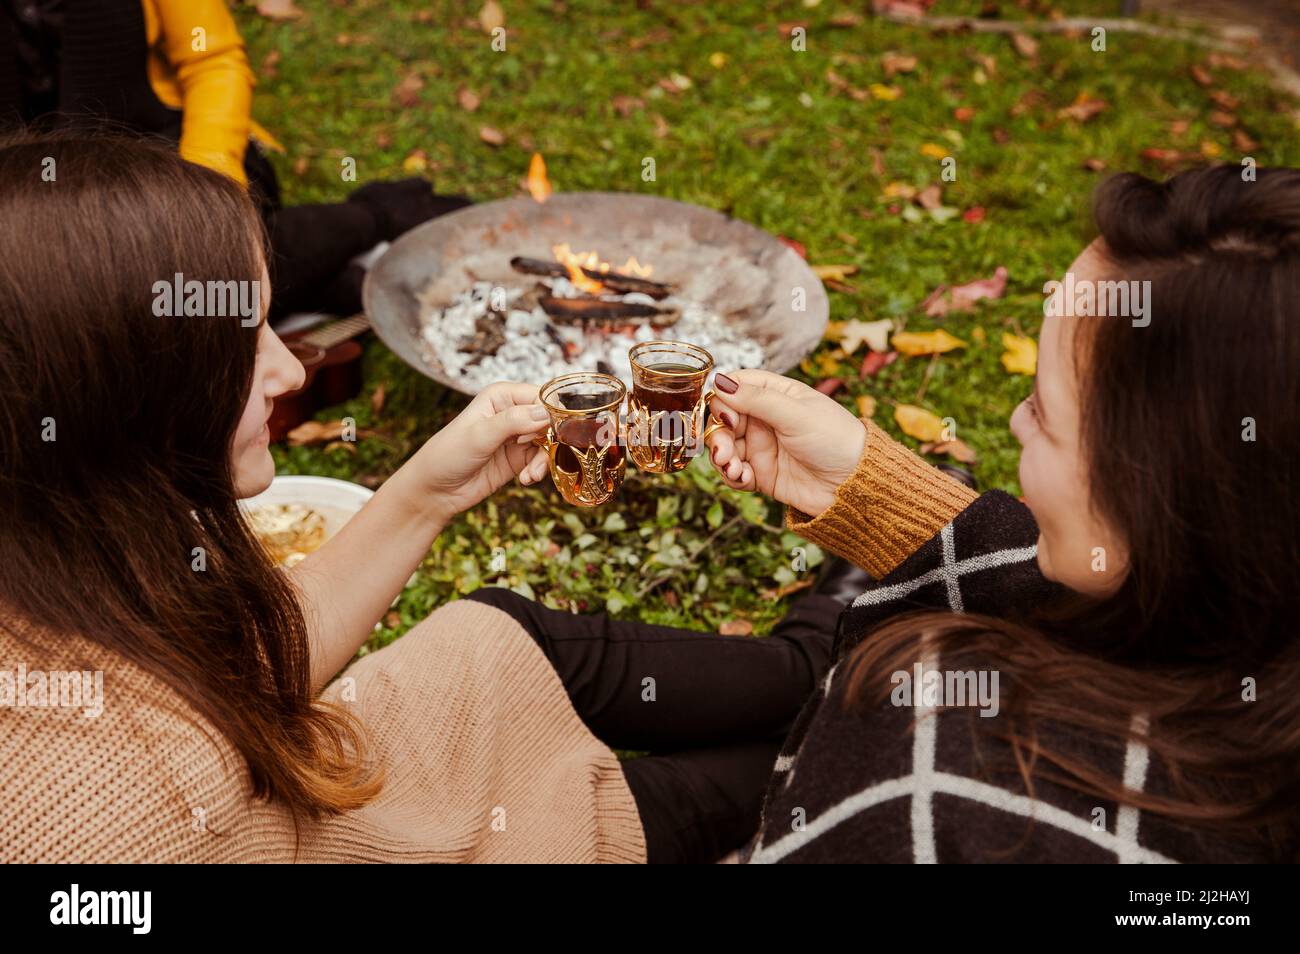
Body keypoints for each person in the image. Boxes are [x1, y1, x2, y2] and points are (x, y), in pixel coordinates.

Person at [0, 130, 852, 864]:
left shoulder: (53, 560)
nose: (291, 369)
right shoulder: (106, 817)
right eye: (243, 339)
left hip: (313, 782)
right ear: (117, 394)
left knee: (504, 635)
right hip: (389, 842)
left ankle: (820, 657)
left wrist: (430, 489)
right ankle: (847, 703)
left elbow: (242, 674)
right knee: (704, 786)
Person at [700, 165, 1300, 863]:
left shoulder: (939, 774)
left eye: (1044, 412)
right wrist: (876, 493)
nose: (1017, 420)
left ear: (1167, 505)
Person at [0, 0, 468, 319]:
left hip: (165, 156)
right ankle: (330, 266)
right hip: (21, 202)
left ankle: (367, 219)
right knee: (82, 300)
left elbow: (212, 60)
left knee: (187, 272)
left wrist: (205, 193)